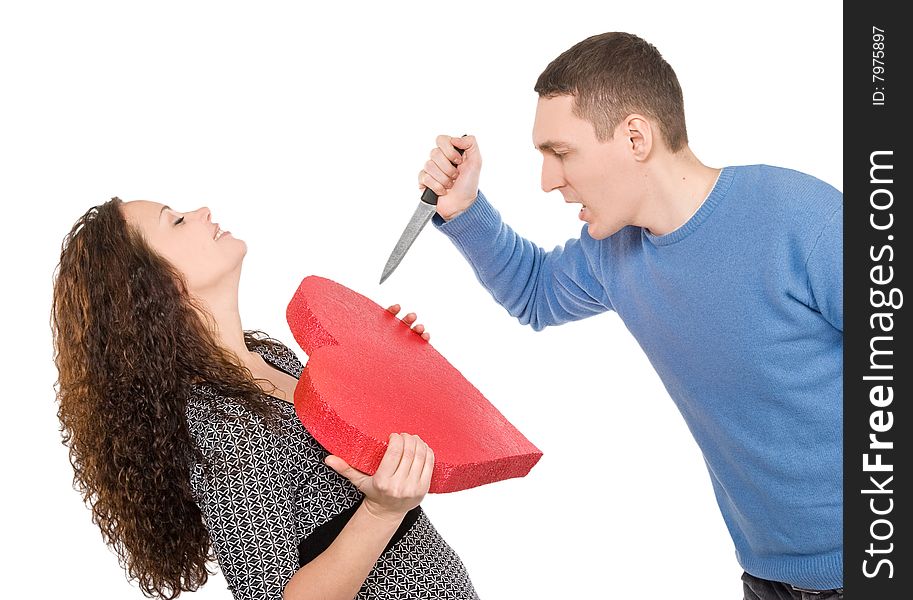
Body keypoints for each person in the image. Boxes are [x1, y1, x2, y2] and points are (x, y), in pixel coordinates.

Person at [417, 31, 843, 600]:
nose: (548, 181)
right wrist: (466, 209)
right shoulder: (613, 253)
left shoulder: (802, 222)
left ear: (635, 136)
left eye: (560, 152)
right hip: (768, 577)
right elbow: (534, 291)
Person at [51, 198, 479, 600]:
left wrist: (391, 371)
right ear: (159, 283)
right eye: (176, 220)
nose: (201, 211)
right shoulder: (219, 420)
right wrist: (381, 514)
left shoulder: (271, 357)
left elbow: (373, 464)